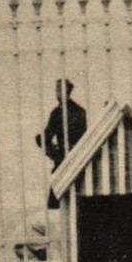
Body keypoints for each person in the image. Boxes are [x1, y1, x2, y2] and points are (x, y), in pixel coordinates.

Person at [34, 80, 86, 209]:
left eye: (57, 90)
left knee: (54, 204)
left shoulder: (57, 112)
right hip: (80, 159)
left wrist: (53, 153)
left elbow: (45, 138)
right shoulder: (81, 111)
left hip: (62, 160)